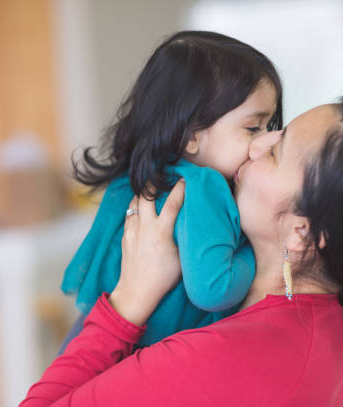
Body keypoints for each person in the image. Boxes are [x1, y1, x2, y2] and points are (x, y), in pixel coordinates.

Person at [21, 94, 343, 406]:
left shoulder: (229, 356)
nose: (258, 144)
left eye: (277, 152)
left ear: (301, 232)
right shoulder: (340, 319)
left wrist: (129, 299)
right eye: (270, 129)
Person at [60, 31, 283, 348]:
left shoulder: (146, 179)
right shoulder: (204, 187)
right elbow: (215, 288)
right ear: (190, 135)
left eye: (269, 126)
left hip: (108, 336)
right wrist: (262, 250)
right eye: (252, 128)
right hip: (158, 354)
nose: (263, 141)